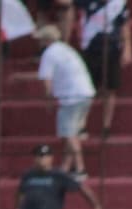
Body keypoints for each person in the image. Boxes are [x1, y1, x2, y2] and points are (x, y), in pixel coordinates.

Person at [34, 25, 94, 179]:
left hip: (71, 96)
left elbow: (46, 79)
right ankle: (66, 167)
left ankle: (80, 168)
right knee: (71, 131)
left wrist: (48, 100)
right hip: (85, 93)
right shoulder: (66, 49)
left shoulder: (49, 53)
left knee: (69, 133)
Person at [75, 0, 129, 135]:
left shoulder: (119, 4)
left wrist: (127, 47)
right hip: (91, 47)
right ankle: (82, 124)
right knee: (87, 88)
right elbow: (80, 18)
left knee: (110, 89)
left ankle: (106, 126)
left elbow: (124, 23)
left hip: (112, 47)